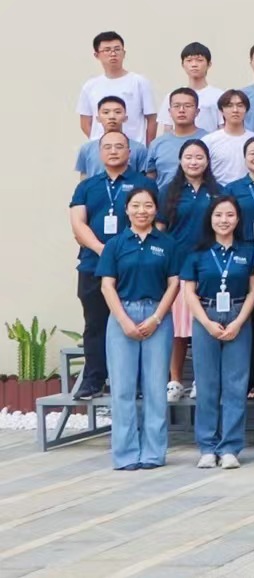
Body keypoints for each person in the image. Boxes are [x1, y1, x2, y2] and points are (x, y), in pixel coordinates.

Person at [96, 186, 182, 469]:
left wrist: (157, 317)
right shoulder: (116, 245)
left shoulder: (167, 244)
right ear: (127, 209)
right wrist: (123, 320)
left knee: (155, 387)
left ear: (155, 209)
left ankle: (154, 454)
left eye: (147, 206)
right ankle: (125, 454)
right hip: (123, 314)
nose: (141, 211)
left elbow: (174, 284)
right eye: (136, 205)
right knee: (122, 388)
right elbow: (107, 285)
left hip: (157, 315)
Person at [71, 131, 159, 401]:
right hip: (92, 265)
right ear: (99, 153)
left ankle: (138, 383)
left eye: (119, 147)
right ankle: (94, 379)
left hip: (134, 267)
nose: (113, 151)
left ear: (129, 152)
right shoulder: (87, 186)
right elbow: (78, 224)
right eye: (107, 147)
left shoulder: (143, 184)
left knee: (134, 321)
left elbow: (153, 223)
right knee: (95, 323)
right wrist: (103, 251)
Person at [181, 196, 254, 468]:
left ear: (238, 219)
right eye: (218, 215)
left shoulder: (247, 251)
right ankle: (208, 447)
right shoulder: (197, 253)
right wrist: (206, 322)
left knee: (235, 385)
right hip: (205, 315)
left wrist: (238, 322)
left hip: (238, 315)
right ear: (210, 219)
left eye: (230, 215)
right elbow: (188, 291)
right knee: (207, 384)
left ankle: (231, 448)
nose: (224, 220)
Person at [159, 139, 220, 400]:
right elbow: (160, 230)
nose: (194, 162)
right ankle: (175, 380)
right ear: (181, 161)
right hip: (178, 266)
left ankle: (200, 378)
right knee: (178, 327)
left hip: (209, 267)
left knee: (202, 325)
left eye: (199, 157)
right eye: (189, 157)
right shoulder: (168, 192)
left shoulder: (217, 192)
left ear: (207, 161)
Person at [78, 31, 158, 142]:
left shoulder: (139, 82)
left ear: (124, 53)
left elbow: (152, 119)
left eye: (117, 49)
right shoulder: (90, 86)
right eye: (107, 50)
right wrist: (104, 144)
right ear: (96, 55)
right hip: (101, 151)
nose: (113, 53)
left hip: (134, 148)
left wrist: (146, 148)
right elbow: (85, 122)